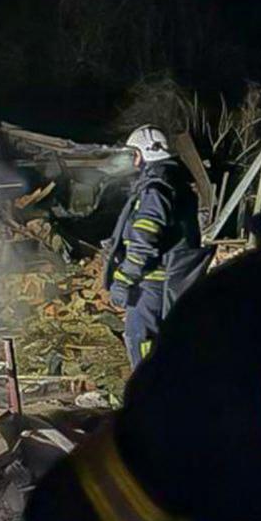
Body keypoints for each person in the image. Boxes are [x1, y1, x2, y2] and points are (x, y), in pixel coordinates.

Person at [26, 200, 261, 521]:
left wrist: (125, 280)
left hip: (148, 289)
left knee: (141, 340)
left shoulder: (251, 300)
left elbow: (93, 496)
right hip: (154, 291)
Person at [102, 125, 205, 368]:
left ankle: (148, 395)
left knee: (141, 340)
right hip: (163, 282)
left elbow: (144, 240)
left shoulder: (156, 189)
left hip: (149, 284)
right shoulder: (174, 183)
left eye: (135, 153)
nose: (133, 160)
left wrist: (125, 279)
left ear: (148, 152)